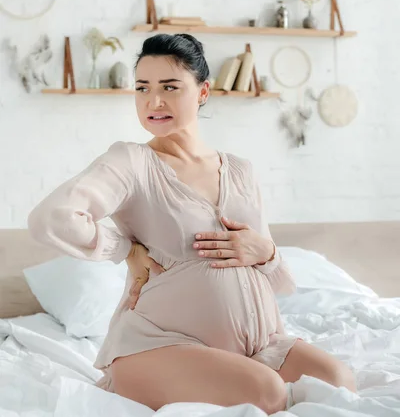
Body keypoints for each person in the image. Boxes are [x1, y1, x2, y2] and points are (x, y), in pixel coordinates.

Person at [28, 33, 356, 413]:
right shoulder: (132, 162)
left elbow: (279, 278)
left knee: (339, 381)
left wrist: (266, 252)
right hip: (158, 345)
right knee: (267, 392)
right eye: (142, 88)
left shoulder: (240, 170)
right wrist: (124, 249)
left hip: (259, 344)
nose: (153, 101)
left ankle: (234, 369)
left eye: (170, 87)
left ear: (202, 92)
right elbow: (51, 219)